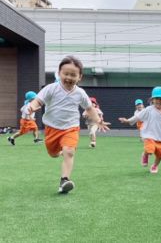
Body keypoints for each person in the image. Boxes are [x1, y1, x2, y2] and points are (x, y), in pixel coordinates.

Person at [28, 55, 110, 194]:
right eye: (66, 74)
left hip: (71, 127)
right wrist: (32, 106)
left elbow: (89, 108)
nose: (69, 77)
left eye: (73, 75)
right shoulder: (51, 88)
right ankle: (59, 152)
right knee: (53, 154)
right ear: (59, 73)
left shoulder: (80, 93)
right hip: (52, 128)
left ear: (80, 77)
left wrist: (98, 121)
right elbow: (38, 100)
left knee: (70, 152)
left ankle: (64, 180)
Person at [118, 87, 161, 174]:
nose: (159, 101)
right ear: (152, 100)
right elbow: (138, 117)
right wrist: (128, 121)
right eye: (157, 98)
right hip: (149, 135)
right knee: (150, 149)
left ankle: (155, 165)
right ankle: (145, 154)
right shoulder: (149, 109)